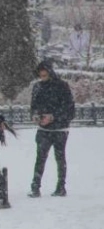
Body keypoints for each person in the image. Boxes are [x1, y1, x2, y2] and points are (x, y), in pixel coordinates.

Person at [29, 61, 75, 198]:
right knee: (40, 158)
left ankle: (61, 187)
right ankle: (35, 187)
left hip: (60, 129)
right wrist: (35, 116)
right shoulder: (37, 87)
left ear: (50, 72)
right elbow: (33, 106)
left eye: (45, 73)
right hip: (43, 129)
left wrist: (53, 117)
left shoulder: (62, 86)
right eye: (40, 74)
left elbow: (69, 109)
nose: (42, 76)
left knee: (60, 158)